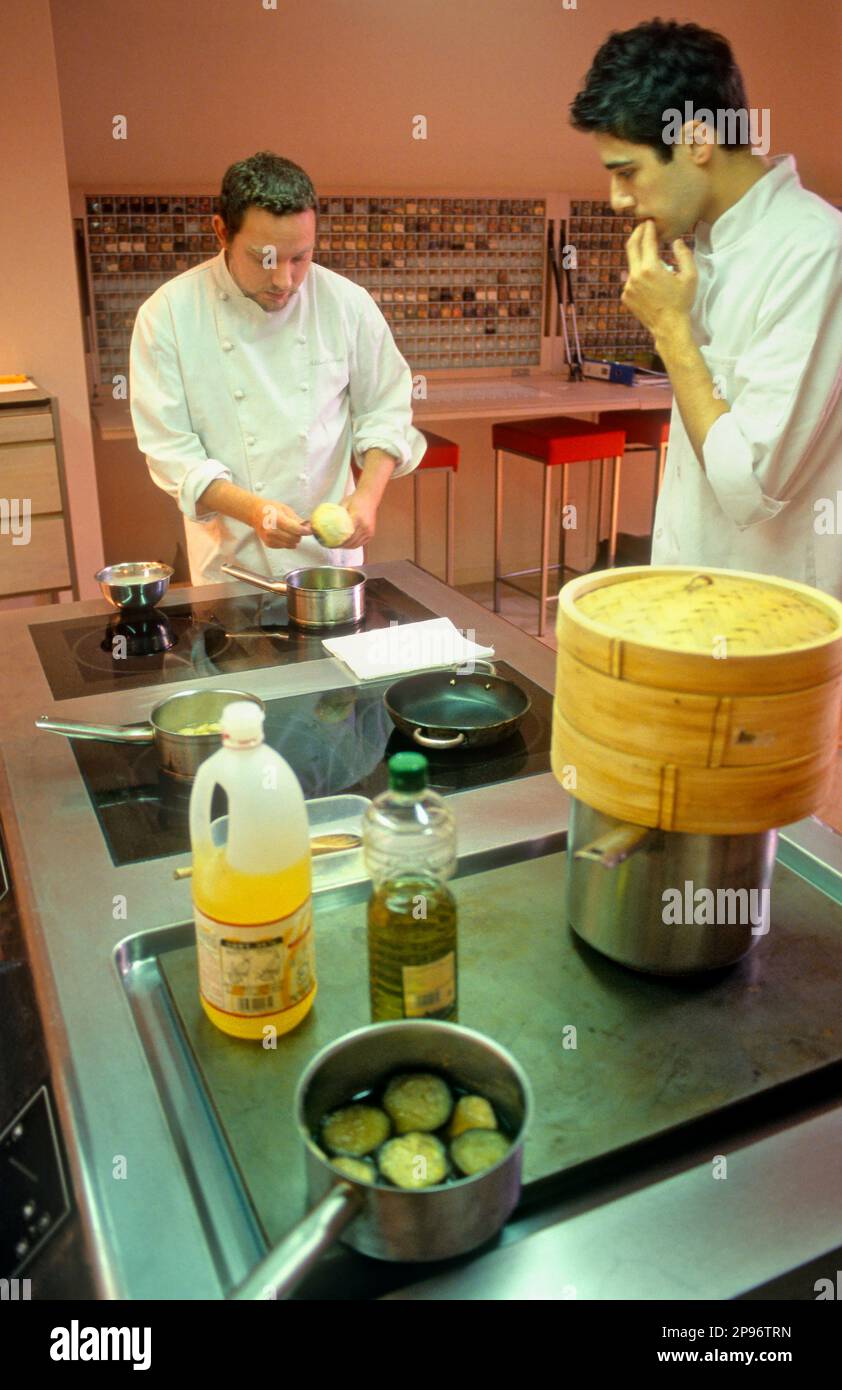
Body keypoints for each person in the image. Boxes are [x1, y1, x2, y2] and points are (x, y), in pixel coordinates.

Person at [570, 19, 842, 597]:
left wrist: (671, 330)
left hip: (773, 617)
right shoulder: (707, 244)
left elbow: (748, 487)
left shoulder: (817, 249)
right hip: (695, 595)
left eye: (627, 172)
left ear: (696, 141)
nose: (618, 199)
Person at [130, 152, 426, 585]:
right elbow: (172, 453)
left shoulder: (345, 303)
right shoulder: (169, 314)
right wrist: (254, 511)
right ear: (221, 232)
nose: (284, 280)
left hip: (332, 565)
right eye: (266, 259)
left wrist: (367, 496)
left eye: (300, 258)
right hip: (232, 566)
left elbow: (385, 409)